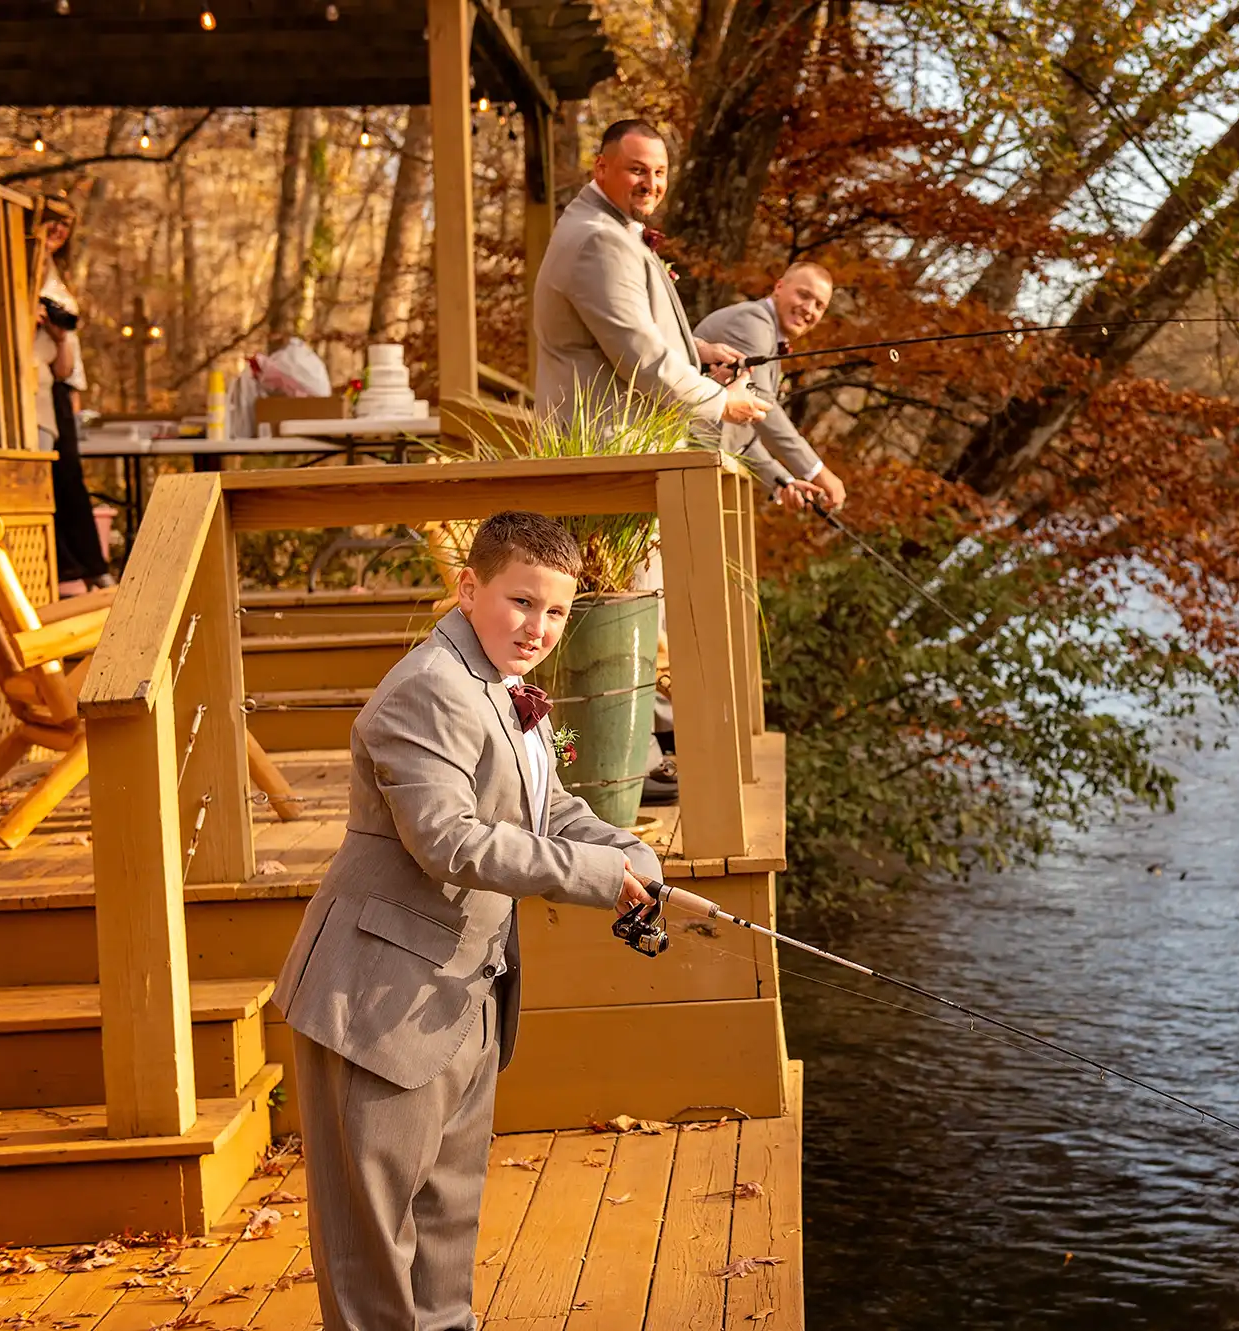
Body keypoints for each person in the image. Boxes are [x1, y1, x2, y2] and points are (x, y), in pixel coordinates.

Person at [272, 511, 662, 1331]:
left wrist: (628, 851)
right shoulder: (427, 689)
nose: (539, 628)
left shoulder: (508, 685)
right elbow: (446, 840)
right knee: (371, 1256)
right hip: (377, 997)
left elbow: (548, 806)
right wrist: (598, 877)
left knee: (448, 1228)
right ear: (468, 586)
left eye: (556, 612)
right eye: (521, 603)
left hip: (468, 992)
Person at [533, 119, 766, 435]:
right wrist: (720, 401)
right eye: (637, 170)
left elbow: (620, 329)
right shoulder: (599, 240)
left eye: (659, 173)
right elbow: (640, 357)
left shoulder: (608, 227)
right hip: (606, 448)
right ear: (601, 167)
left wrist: (694, 350)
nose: (651, 184)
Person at [693, 264, 851, 510]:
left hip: (697, 464)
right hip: (670, 455)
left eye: (819, 305)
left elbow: (739, 430)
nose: (809, 309)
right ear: (779, 287)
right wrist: (817, 471)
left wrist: (783, 481)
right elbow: (765, 409)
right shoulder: (753, 322)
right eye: (804, 295)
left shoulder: (768, 334)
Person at [35, 205, 112, 591]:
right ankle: (74, 569)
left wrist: (75, 393)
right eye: (52, 220)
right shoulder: (27, 270)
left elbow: (68, 341)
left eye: (66, 225)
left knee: (69, 478)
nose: (59, 229)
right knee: (57, 478)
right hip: (39, 385)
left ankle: (86, 567)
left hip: (62, 383)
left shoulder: (56, 274)